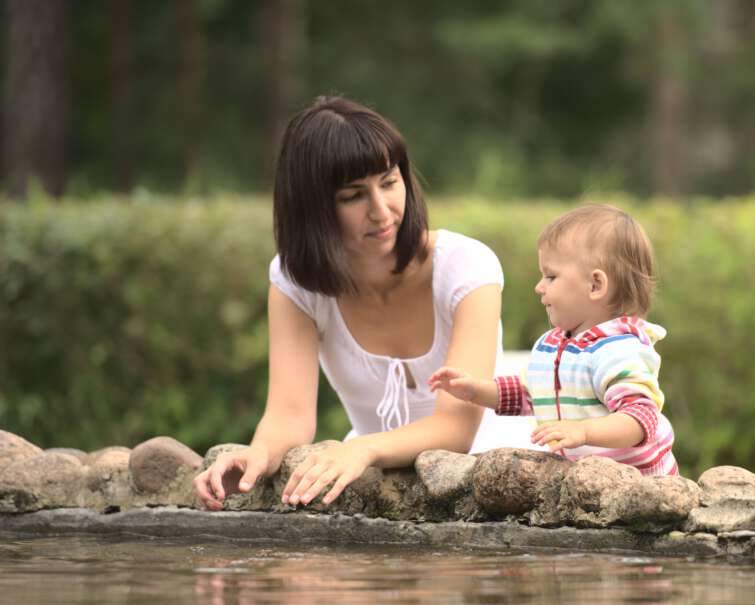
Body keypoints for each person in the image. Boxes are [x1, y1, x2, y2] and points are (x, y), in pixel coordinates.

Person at [194, 95, 530, 510]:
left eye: (389, 182)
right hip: (376, 485)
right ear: (312, 209)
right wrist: (260, 453)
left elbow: (455, 428)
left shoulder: (465, 267)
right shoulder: (295, 282)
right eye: (353, 195)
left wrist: (363, 449)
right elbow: (290, 413)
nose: (381, 210)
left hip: (494, 484)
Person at [429, 204, 679, 476]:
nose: (539, 286)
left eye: (551, 276)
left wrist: (583, 431)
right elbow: (530, 393)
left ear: (595, 285)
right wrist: (476, 391)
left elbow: (640, 419)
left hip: (638, 485)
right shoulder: (555, 344)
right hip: (584, 482)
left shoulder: (619, 350)